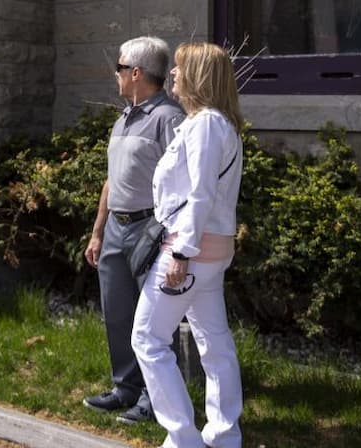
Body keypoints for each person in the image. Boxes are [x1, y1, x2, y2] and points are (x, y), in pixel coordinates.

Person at [132, 42, 245, 448]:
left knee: (146, 338)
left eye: (180, 69)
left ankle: (184, 439)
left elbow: (200, 195)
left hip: (190, 248)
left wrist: (181, 252)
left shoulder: (206, 125)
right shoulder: (217, 124)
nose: (174, 76)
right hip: (211, 250)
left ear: (197, 76)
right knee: (214, 344)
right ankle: (223, 436)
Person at [84, 37, 184, 425]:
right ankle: (125, 388)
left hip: (150, 229)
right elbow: (111, 181)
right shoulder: (123, 118)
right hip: (115, 231)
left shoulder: (169, 118)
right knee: (118, 314)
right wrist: (97, 232)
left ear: (136, 73)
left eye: (120, 68)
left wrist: (172, 236)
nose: (117, 75)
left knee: (155, 321)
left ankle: (154, 397)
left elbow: (181, 182)